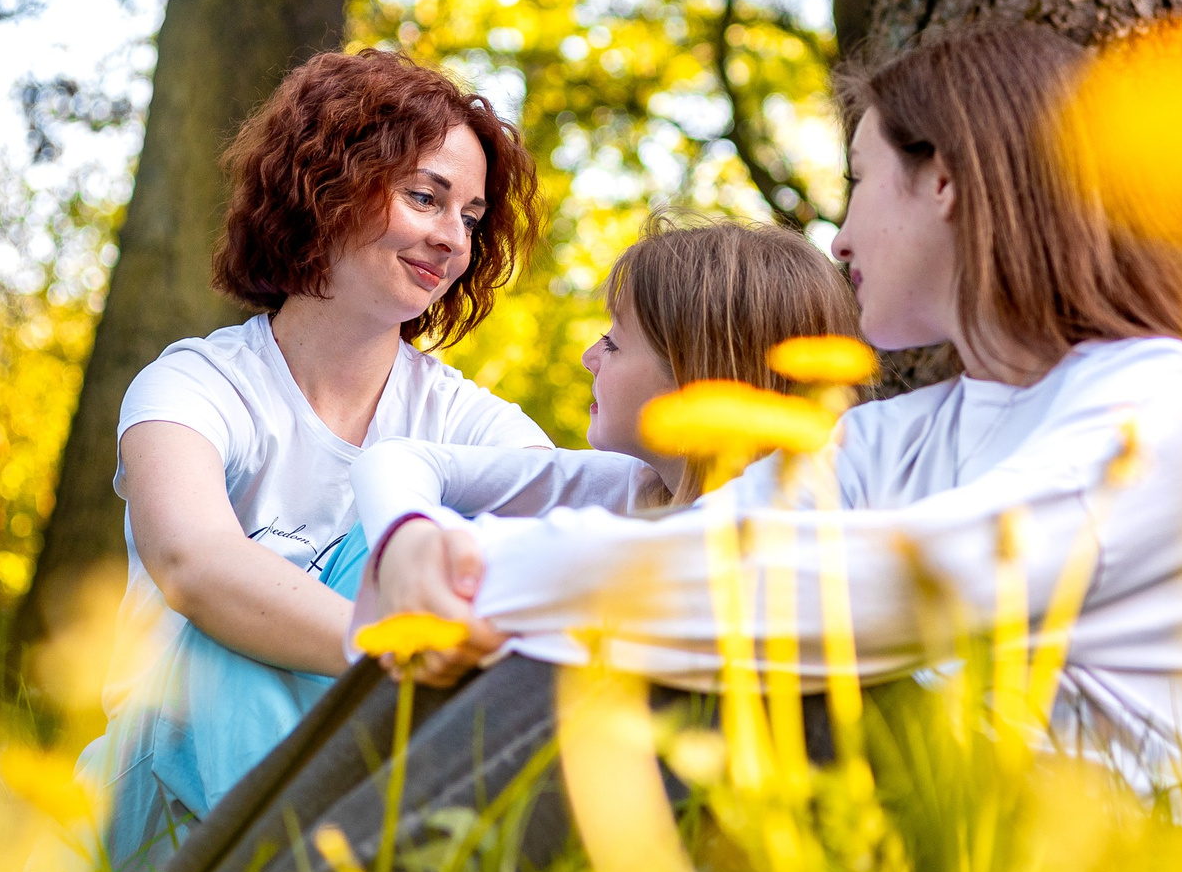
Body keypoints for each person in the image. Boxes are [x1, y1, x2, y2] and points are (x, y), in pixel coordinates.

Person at [146, 21, 1182, 872]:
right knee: (623, 622)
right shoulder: (907, 434)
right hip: (891, 823)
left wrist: (479, 574)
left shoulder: (1162, 399)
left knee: (664, 647)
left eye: (857, 181)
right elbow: (690, 550)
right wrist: (414, 551)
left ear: (948, 184)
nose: (838, 239)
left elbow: (897, 592)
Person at [75, 49, 546, 872]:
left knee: (449, 527)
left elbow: (567, 540)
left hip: (354, 788)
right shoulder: (190, 388)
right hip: (161, 804)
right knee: (236, 630)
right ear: (327, 186)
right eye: (426, 196)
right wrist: (395, 648)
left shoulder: (464, 420)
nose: (452, 238)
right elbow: (196, 565)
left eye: (471, 217)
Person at [342, 214, 866, 631]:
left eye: (613, 342)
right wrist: (405, 540)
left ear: (696, 378)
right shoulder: (637, 485)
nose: (590, 357)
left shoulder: (792, 544)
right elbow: (398, 458)